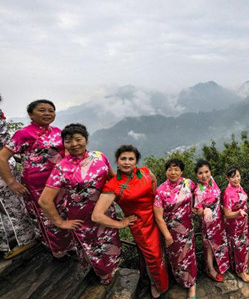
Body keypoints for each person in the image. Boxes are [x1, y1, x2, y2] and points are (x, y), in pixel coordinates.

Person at [39, 123, 122, 284]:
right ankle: (103, 276)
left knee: (109, 244)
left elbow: (112, 179)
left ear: (86, 140)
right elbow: (44, 200)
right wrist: (60, 222)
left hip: (105, 212)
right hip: (82, 217)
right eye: (69, 141)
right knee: (93, 248)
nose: (74, 144)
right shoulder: (61, 168)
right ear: (64, 144)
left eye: (78, 139)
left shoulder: (99, 156)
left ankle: (110, 269)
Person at [92, 145, 168, 298]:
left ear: (136, 161)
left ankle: (160, 279)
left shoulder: (145, 172)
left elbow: (154, 181)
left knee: (162, 250)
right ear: (117, 161)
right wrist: (120, 223)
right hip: (140, 225)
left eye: (131, 159)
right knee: (153, 257)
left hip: (156, 217)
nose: (127, 162)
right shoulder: (113, 185)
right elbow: (97, 215)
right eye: (123, 159)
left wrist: (156, 203)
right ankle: (158, 284)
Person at [0, 99, 71, 257]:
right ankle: (57, 251)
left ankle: (67, 245)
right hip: (38, 184)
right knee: (47, 216)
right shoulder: (23, 134)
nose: (47, 113)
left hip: (60, 181)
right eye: (42, 110)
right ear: (31, 114)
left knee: (63, 212)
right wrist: (12, 182)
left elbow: (66, 154)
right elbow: (2, 157)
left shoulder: (58, 131)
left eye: (51, 110)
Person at [154, 158, 197, 299]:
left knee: (189, 256)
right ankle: (180, 280)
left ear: (181, 171)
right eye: (170, 169)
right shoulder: (160, 191)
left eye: (176, 169)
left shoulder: (188, 183)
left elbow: (199, 192)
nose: (173, 172)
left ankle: (191, 284)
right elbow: (158, 217)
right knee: (176, 258)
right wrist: (167, 235)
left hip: (188, 227)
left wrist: (196, 207)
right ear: (166, 171)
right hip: (171, 231)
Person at [0, 95, 37, 259]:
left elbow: (4, 144)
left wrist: (10, 180)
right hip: (6, 164)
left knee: (11, 207)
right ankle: (7, 243)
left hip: (3, 168)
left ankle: (24, 241)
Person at [192, 160, 230, 282]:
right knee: (209, 246)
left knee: (218, 243)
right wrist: (205, 211)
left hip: (218, 219)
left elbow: (217, 196)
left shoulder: (212, 181)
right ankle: (210, 270)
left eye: (206, 172)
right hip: (208, 224)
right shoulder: (199, 190)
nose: (204, 176)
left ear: (210, 171)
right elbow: (197, 210)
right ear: (196, 175)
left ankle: (218, 265)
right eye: (200, 173)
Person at [223, 166, 249, 282]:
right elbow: (227, 214)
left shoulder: (239, 187)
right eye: (233, 177)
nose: (236, 179)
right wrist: (238, 213)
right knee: (238, 247)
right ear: (227, 178)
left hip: (243, 223)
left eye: (238, 176)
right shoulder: (228, 193)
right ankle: (240, 271)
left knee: (244, 245)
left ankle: (243, 266)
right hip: (234, 225)